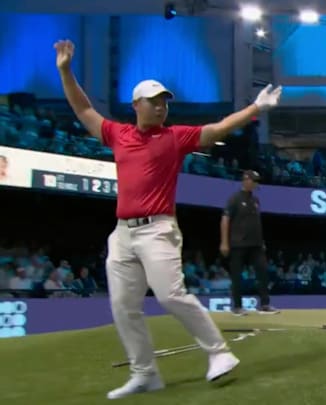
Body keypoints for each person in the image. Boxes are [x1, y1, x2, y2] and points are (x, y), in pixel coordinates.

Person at [53, 39, 282, 400]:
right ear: (136, 105)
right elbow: (83, 109)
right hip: (123, 234)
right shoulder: (118, 134)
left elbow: (217, 129)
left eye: (164, 102)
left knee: (171, 295)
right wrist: (66, 70)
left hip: (158, 230)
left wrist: (256, 107)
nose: (161, 107)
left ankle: (219, 353)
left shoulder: (174, 137)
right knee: (123, 307)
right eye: (154, 101)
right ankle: (145, 374)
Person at [220, 170, 278, 316]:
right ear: (246, 180)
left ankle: (264, 305)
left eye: (257, 181)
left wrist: (261, 241)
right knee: (237, 276)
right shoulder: (234, 199)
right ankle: (237, 307)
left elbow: (256, 222)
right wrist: (224, 242)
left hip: (256, 244)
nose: (256, 184)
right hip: (238, 243)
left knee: (262, 272)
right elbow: (225, 220)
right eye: (254, 181)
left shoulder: (255, 200)